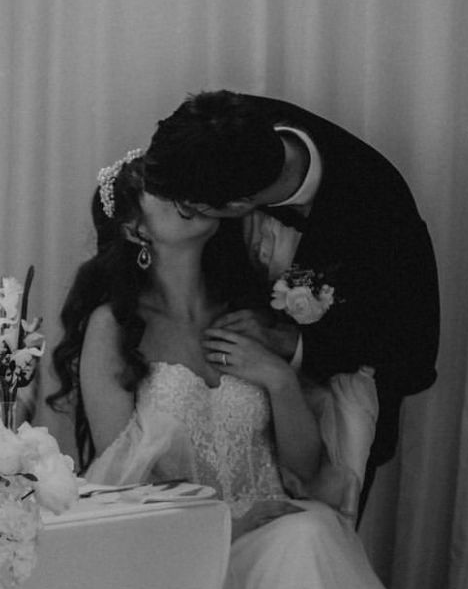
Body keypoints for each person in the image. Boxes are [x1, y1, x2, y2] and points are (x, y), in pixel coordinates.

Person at [47, 150, 421, 589]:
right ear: (136, 229)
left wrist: (278, 378)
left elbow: (307, 469)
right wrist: (227, 521)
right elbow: (121, 488)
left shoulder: (247, 309)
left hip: (278, 527)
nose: (185, 195)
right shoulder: (114, 328)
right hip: (185, 551)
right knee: (307, 538)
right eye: (161, 189)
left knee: (310, 532)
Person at [144, 91, 440, 514]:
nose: (178, 213)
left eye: (189, 209)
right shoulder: (220, 132)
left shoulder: (379, 204)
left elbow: (409, 347)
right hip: (222, 400)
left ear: (238, 206)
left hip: (337, 390)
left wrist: (293, 344)